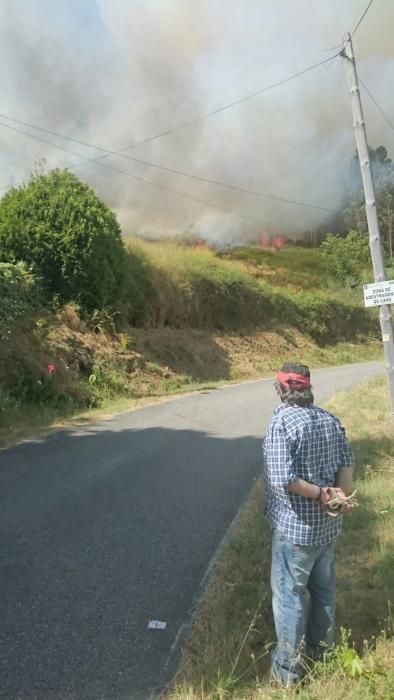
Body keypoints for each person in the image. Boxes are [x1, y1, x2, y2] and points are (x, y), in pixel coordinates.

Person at [263, 362, 354, 687]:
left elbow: (282, 478)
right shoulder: (329, 419)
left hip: (296, 531)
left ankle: (287, 673)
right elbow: (347, 461)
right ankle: (322, 653)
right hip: (327, 529)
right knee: (323, 592)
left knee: (289, 596)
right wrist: (338, 495)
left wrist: (320, 494)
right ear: (308, 388)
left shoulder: (281, 422)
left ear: (281, 389)